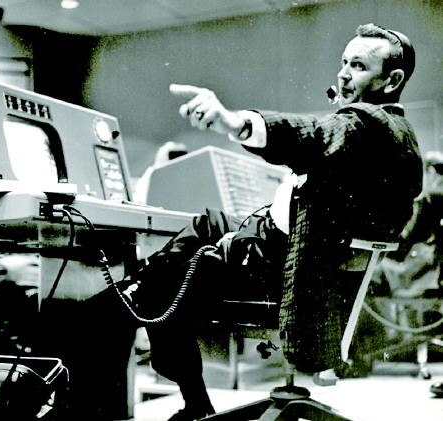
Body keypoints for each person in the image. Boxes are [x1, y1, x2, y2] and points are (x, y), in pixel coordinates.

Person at [95, 23, 423, 421]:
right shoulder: (397, 133)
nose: (343, 74)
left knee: (161, 288)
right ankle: (136, 288)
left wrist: (235, 124)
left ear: (392, 80)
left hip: (283, 269)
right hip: (286, 248)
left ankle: (177, 379)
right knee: (208, 223)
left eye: (358, 66)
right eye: (344, 62)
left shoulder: (364, 125)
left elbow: (312, 134)